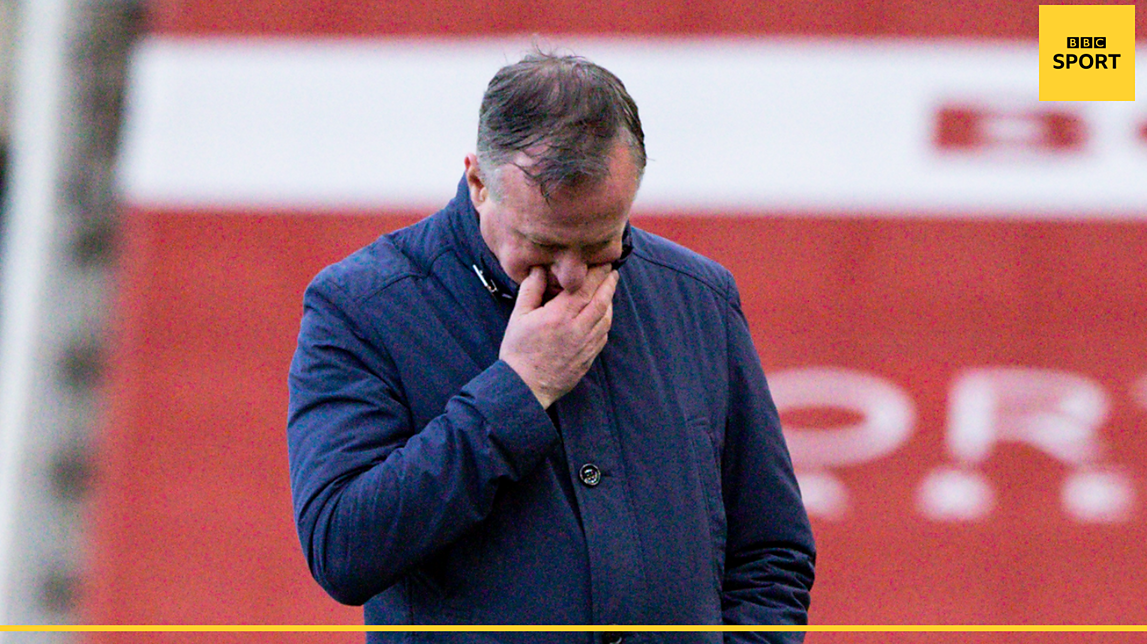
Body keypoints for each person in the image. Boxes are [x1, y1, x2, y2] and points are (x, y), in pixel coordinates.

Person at [287, 51, 815, 644]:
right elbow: (342, 548)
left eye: (600, 244)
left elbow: (772, 552)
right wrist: (518, 389)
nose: (571, 274)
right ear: (478, 184)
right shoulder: (362, 307)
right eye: (542, 245)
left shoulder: (699, 297)